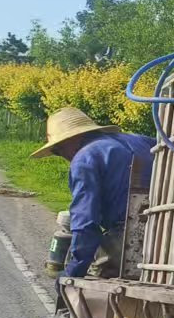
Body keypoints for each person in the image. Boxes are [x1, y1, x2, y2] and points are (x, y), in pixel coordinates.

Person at [31, 107, 156, 281]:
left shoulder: (84, 159)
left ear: (70, 140)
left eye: (57, 150)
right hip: (169, 226)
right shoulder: (140, 141)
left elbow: (85, 221)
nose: (62, 156)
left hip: (131, 237)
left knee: (88, 281)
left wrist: (73, 272)